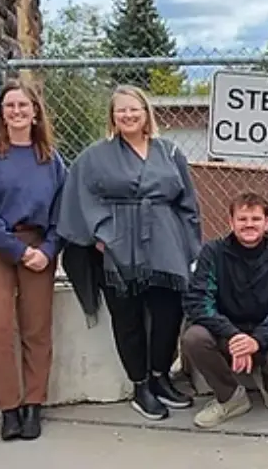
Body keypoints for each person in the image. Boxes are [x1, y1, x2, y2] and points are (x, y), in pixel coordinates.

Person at [57, 85, 203, 422]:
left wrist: (185, 243)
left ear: (146, 113)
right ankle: (140, 388)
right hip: (118, 245)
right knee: (129, 317)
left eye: (134, 109)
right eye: (121, 110)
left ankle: (160, 377)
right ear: (112, 117)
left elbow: (188, 203)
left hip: (164, 243)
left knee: (168, 314)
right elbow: (80, 196)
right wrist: (101, 236)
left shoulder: (170, 153)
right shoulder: (95, 156)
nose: (128, 115)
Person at [0, 81, 66, 441]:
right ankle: (9, 408)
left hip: (39, 248)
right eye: (9, 106)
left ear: (35, 111)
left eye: (24, 105)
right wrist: (17, 251)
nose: (17, 111)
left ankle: (33, 404)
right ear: (1, 112)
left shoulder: (50, 157)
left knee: (37, 328)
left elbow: (61, 212)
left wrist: (48, 250)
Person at [181, 192, 268, 429]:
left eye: (256, 219)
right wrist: (233, 335)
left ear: (267, 223)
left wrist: (256, 341)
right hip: (225, 330)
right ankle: (230, 397)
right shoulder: (213, 252)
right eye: (242, 219)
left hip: (265, 331)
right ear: (231, 222)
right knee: (193, 338)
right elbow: (198, 301)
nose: (249, 224)